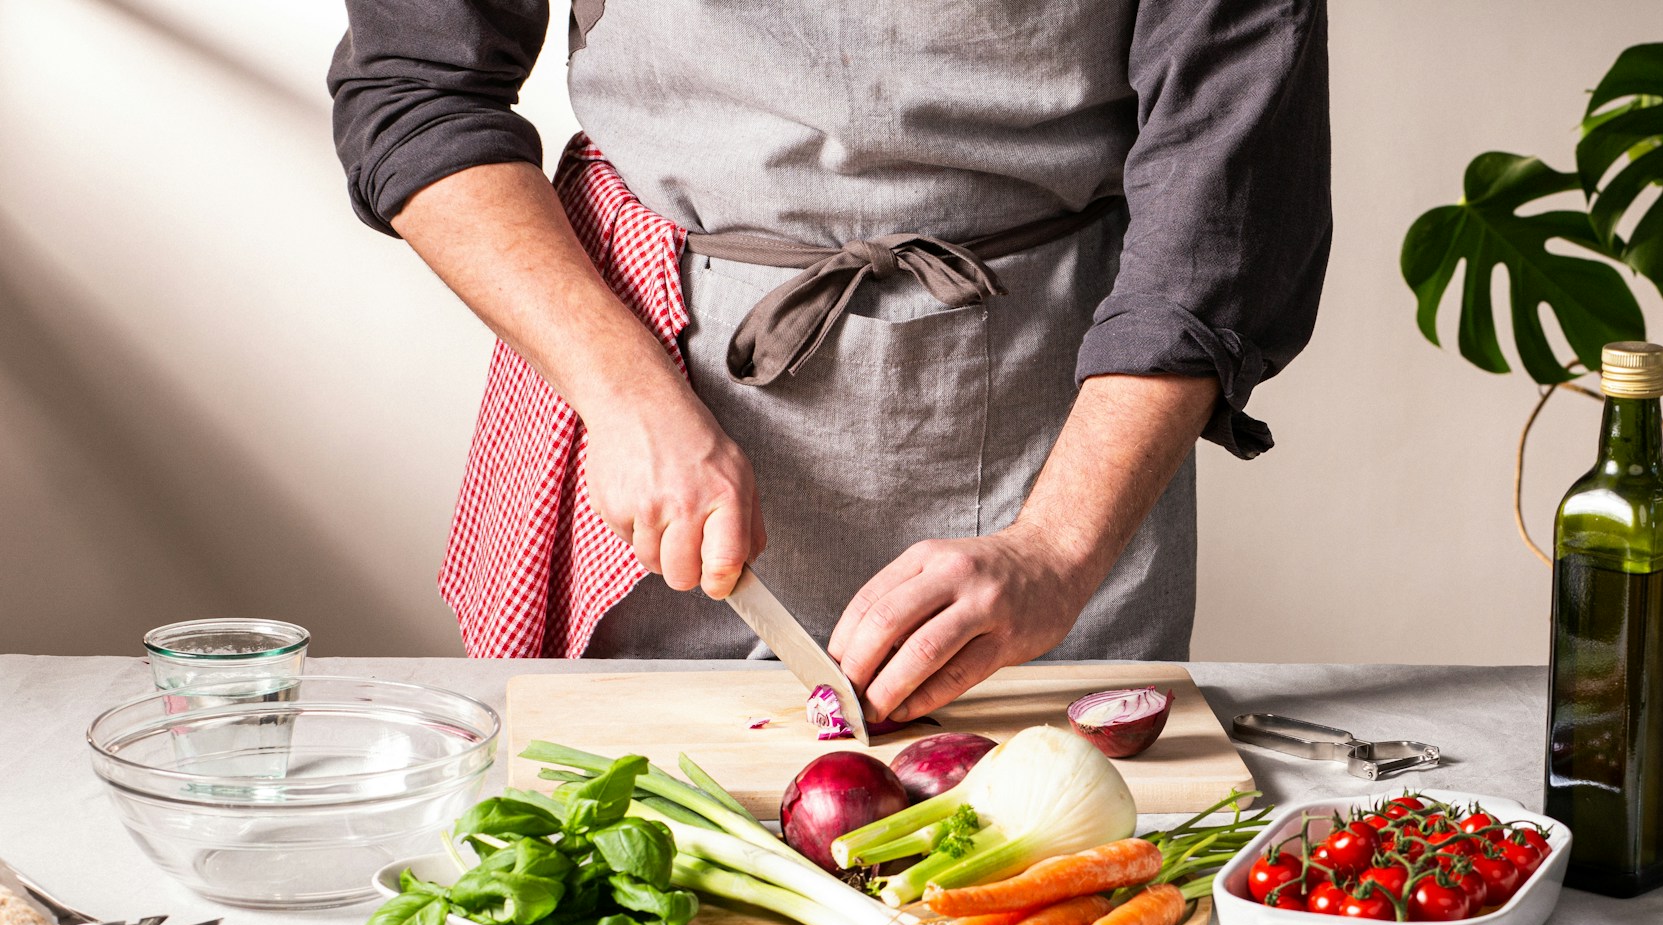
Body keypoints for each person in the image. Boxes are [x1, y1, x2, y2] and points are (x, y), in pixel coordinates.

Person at [328, 0, 1330, 723]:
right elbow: (416, 91)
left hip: (1062, 418)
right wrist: (625, 395)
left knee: (1068, 886)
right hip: (656, 386)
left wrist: (1056, 550)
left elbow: (1224, 186)